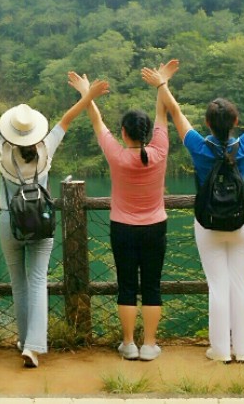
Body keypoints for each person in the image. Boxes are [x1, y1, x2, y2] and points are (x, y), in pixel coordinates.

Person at [0, 68, 108, 368]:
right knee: (38, 280)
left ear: (11, 131)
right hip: (42, 220)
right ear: (36, 132)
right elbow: (67, 118)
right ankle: (34, 347)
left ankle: (24, 339)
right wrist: (87, 95)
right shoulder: (46, 148)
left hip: (8, 221)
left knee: (19, 282)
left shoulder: (2, 150)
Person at [152, 59, 244, 363]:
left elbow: (176, 113)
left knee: (217, 286)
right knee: (239, 284)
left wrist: (162, 83)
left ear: (207, 123)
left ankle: (219, 351)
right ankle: (242, 352)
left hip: (208, 225)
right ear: (235, 122)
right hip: (240, 224)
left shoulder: (198, 146)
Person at [81, 67, 172, 361]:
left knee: (127, 286)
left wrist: (87, 93)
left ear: (123, 132)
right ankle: (149, 345)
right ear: (148, 133)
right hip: (155, 227)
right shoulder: (159, 151)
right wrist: (161, 84)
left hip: (122, 228)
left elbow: (96, 121)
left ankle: (129, 344)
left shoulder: (117, 155)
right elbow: (163, 115)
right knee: (152, 285)